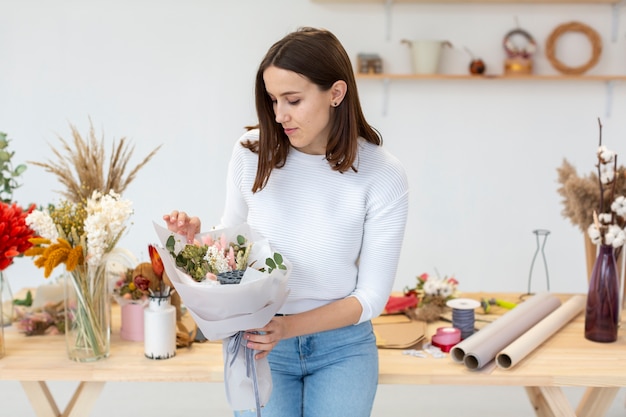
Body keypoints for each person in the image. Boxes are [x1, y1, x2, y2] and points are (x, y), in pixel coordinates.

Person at [164, 27, 409, 417]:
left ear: (336, 93)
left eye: (292, 100)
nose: (279, 115)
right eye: (273, 100)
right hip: (259, 340)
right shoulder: (251, 152)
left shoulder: (382, 173)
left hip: (341, 348)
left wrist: (289, 328)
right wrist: (194, 242)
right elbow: (233, 253)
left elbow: (371, 298)